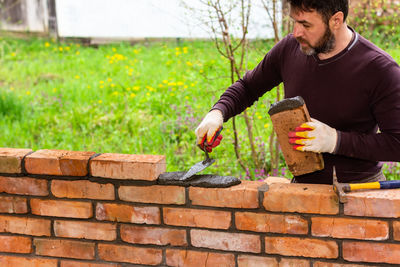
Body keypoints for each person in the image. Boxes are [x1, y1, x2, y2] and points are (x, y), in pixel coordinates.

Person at [195, 0, 400, 184]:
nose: (296, 32)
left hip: (360, 191)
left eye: (306, 25)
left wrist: (336, 141)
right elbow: (248, 87)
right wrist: (217, 113)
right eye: (294, 21)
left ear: (336, 20)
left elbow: (397, 143)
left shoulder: (379, 68)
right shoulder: (289, 48)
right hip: (302, 189)